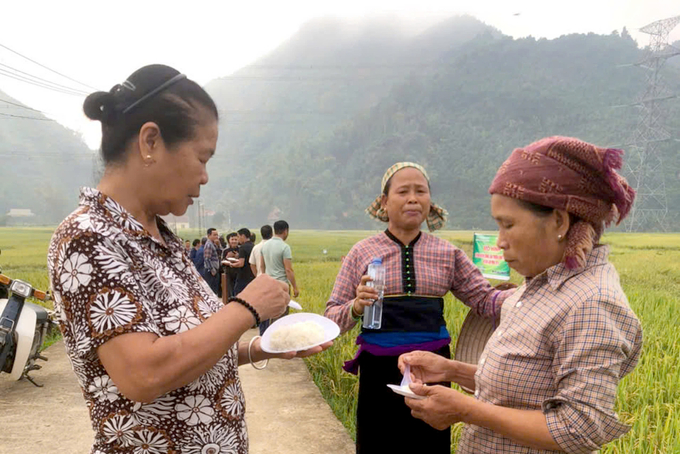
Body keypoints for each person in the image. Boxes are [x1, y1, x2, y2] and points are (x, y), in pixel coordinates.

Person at [47, 64, 331, 454]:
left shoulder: (160, 237)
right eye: (202, 158)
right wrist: (247, 307)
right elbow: (143, 373)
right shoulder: (89, 237)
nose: (205, 177)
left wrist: (258, 348)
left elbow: (189, 347)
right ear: (150, 141)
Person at [399, 137, 643, 453]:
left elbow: (578, 428)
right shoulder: (539, 285)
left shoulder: (592, 303)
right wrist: (450, 370)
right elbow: (522, 386)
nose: (499, 242)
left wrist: (465, 409)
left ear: (559, 220)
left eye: (508, 225)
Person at [323, 162, 512, 454]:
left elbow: (485, 300)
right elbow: (331, 318)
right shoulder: (362, 252)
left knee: (430, 445)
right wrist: (356, 306)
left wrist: (528, 296)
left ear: (429, 201)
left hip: (434, 370)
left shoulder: (447, 253)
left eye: (420, 191)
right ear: (384, 202)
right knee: (377, 444)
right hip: (379, 372)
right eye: (403, 191)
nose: (413, 198)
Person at [260, 220, 299, 334]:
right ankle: (276, 343)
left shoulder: (265, 246)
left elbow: (262, 266)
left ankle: (267, 338)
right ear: (286, 231)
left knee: (270, 314)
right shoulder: (284, 247)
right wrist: (295, 287)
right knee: (281, 317)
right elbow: (288, 269)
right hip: (282, 286)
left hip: (269, 284)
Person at [226, 228, 255, 296]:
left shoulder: (242, 247)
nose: (238, 239)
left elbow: (241, 263)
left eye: (238, 237)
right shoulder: (253, 246)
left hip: (243, 276)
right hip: (252, 275)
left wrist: (231, 264)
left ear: (243, 236)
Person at [203, 227, 221, 294]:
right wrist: (212, 270)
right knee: (212, 291)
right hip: (211, 272)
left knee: (215, 290)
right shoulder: (209, 245)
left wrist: (218, 245)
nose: (216, 236)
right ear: (208, 235)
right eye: (214, 235)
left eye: (217, 235)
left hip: (214, 270)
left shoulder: (213, 244)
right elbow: (207, 258)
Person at [221, 233, 240, 297]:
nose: (234, 241)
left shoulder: (241, 250)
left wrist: (238, 256)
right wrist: (227, 258)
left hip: (239, 273)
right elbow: (222, 262)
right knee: (229, 291)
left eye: (235, 239)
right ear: (229, 241)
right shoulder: (225, 251)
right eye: (232, 239)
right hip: (229, 273)